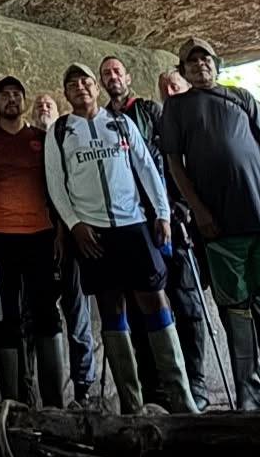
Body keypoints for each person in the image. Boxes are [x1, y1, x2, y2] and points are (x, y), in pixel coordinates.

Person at [162, 36, 260, 414]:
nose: (200, 66)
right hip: (219, 226)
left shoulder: (241, 97)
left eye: (205, 59)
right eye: (191, 62)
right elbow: (174, 163)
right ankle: (249, 396)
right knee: (235, 307)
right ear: (183, 71)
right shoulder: (177, 107)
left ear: (216, 64)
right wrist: (199, 211)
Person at [43, 62, 198, 416]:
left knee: (155, 301)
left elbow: (146, 167)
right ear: (65, 94)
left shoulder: (121, 122)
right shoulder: (60, 132)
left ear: (96, 88)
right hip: (93, 231)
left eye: (85, 81)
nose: (80, 87)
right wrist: (74, 224)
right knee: (111, 308)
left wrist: (162, 213)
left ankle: (181, 398)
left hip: (133, 224)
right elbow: (56, 183)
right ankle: (132, 404)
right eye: (72, 84)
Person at [101, 55, 210, 411]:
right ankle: (154, 388)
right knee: (139, 305)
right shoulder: (100, 121)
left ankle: (193, 383)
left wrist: (177, 204)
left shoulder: (150, 111)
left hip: (165, 217)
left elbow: (170, 158)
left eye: (117, 71)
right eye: (106, 74)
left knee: (184, 298)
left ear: (128, 77)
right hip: (129, 223)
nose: (112, 77)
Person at [0, 76, 66, 406]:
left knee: (46, 314)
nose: (11, 99)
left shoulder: (41, 139)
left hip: (40, 236)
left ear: (24, 100)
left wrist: (60, 231)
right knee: (5, 316)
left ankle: (54, 403)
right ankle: (13, 401)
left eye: (16, 94)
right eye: (5, 95)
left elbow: (56, 186)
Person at [33, 90, 98, 405]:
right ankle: (47, 396)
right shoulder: (31, 143)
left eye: (49, 104)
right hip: (37, 241)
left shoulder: (67, 140)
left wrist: (63, 230)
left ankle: (83, 389)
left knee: (78, 315)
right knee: (39, 318)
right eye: (39, 105)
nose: (44, 108)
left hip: (71, 239)